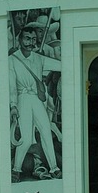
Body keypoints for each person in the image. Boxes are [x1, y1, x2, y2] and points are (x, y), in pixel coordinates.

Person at [8, 17, 62, 181]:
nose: (30, 42)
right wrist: (13, 106)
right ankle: (16, 169)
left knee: (45, 130)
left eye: (33, 39)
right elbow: (11, 85)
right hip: (23, 98)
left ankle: (54, 168)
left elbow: (61, 65)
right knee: (24, 138)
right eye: (27, 38)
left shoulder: (38, 58)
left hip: (38, 100)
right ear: (20, 39)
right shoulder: (12, 60)